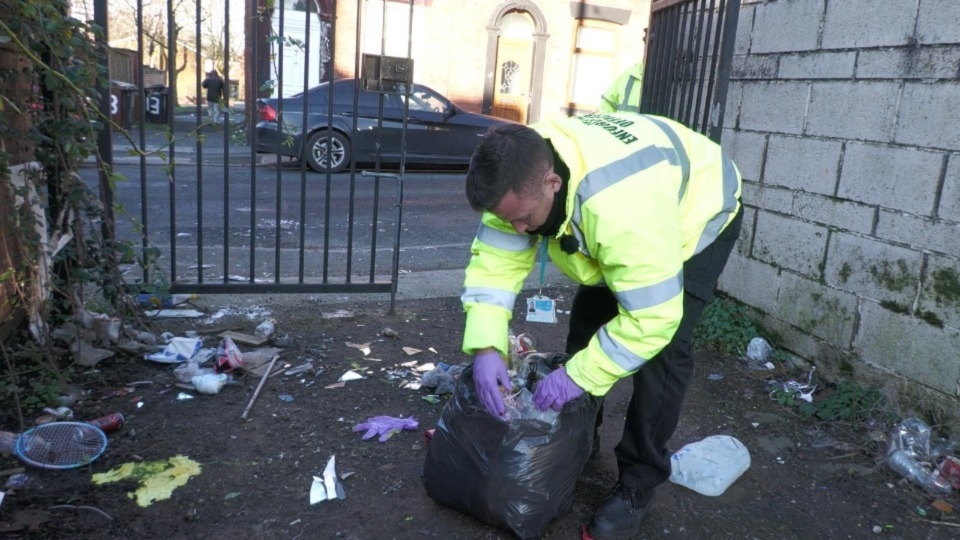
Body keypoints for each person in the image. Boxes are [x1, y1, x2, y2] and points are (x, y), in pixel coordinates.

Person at [460, 111, 742, 539]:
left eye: (524, 219)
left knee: (663, 356)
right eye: (509, 220)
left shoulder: (625, 212)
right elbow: (494, 267)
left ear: (552, 184)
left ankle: (638, 484)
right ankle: (576, 437)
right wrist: (485, 347)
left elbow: (652, 318)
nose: (519, 230)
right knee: (589, 324)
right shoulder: (518, 175)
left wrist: (580, 376)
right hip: (619, 210)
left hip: (699, 212)